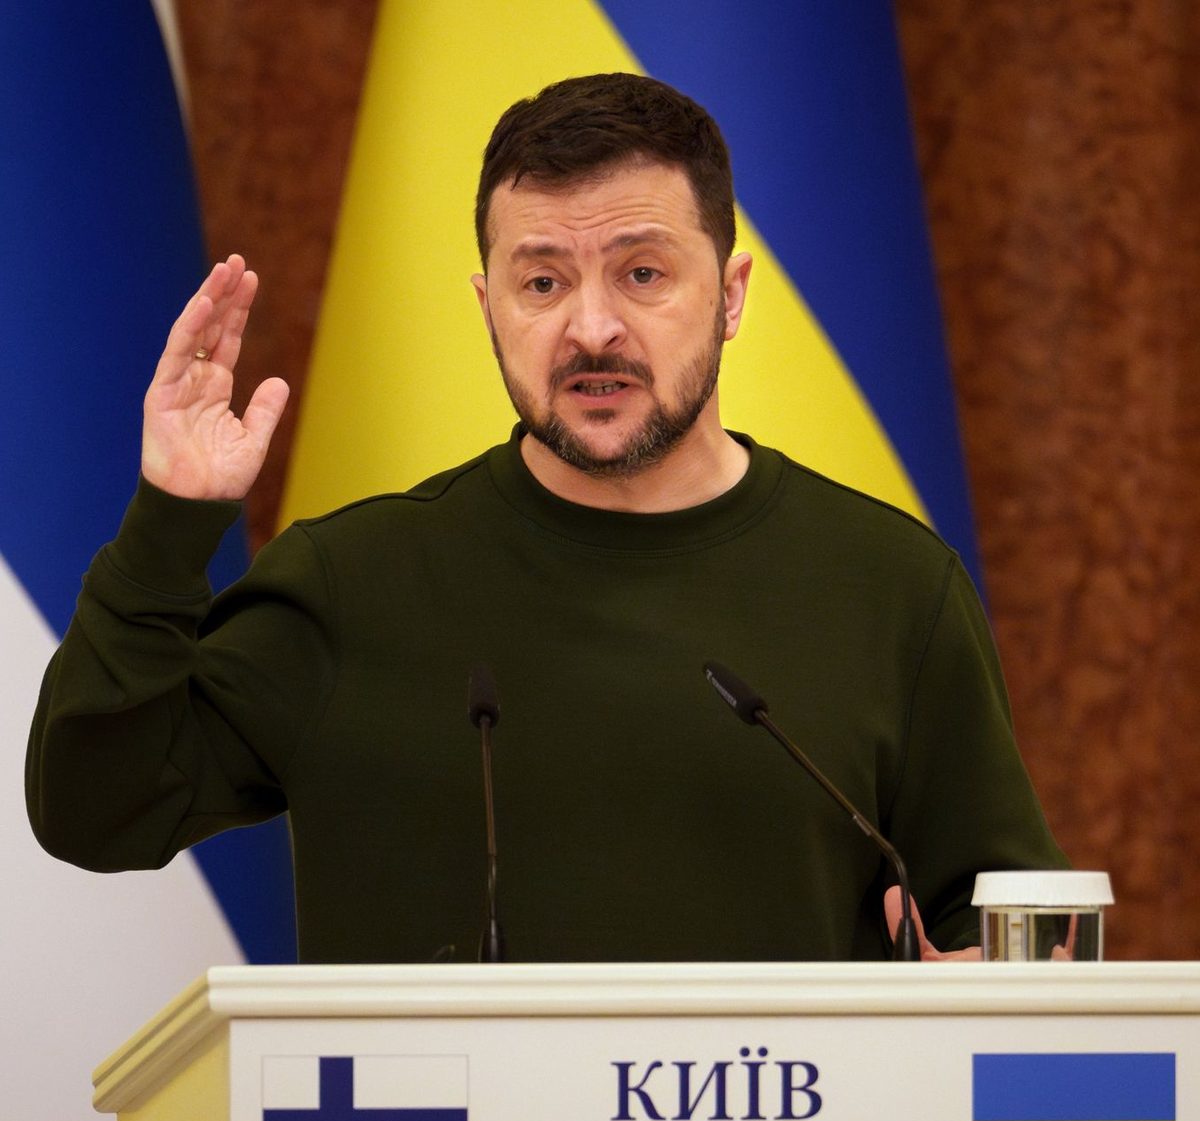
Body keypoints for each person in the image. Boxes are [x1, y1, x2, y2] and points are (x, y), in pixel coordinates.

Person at [26, 74, 1066, 964]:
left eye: (643, 273)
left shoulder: (889, 587)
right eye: (542, 281)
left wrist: (981, 988)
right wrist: (170, 523)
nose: (592, 327)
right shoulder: (353, 583)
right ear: (489, 307)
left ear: (732, 293)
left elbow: (1013, 927)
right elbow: (94, 810)